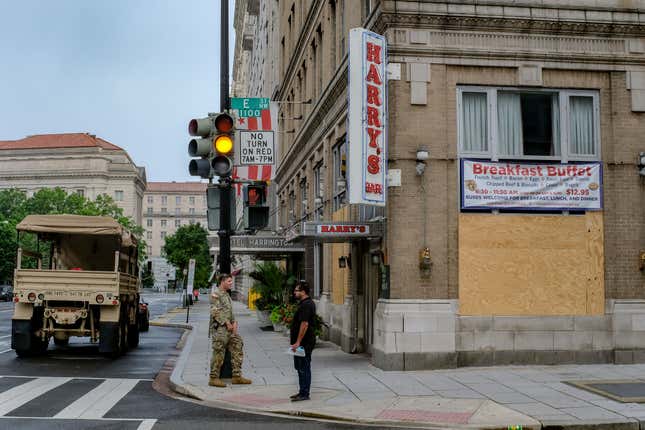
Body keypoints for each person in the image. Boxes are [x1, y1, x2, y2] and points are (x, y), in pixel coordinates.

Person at [209, 273, 252, 387]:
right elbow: (215, 311)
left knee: (238, 344)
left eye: (231, 281)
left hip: (230, 329)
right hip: (220, 329)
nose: (231, 283)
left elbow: (230, 311)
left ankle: (236, 376)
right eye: (229, 281)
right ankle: (213, 378)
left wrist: (234, 322)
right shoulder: (216, 294)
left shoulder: (226, 295)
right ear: (222, 281)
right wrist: (227, 323)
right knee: (219, 352)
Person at [289, 280, 316, 401]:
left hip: (304, 343)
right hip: (300, 342)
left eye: (296, 290)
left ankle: (305, 393)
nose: (294, 292)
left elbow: (304, 324)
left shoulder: (307, 305)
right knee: (300, 367)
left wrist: (298, 342)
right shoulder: (304, 303)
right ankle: (302, 391)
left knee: (304, 367)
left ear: (303, 291)